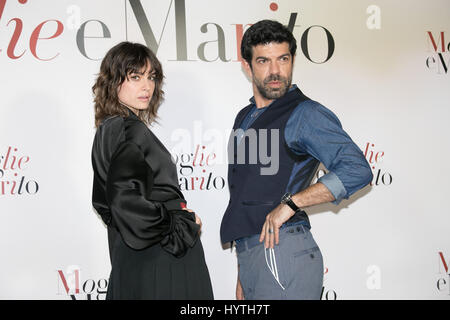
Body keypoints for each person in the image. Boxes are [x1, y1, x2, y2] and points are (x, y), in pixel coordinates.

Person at [220, 20, 373, 300]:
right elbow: (245, 194)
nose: (275, 71)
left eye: (283, 59)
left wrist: (292, 204)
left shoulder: (305, 114)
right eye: (264, 61)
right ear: (247, 66)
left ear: (292, 61)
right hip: (252, 255)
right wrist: (245, 272)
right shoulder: (244, 117)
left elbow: (357, 169)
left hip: (284, 249)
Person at [91, 41, 213, 300]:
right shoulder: (128, 129)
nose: (146, 86)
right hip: (160, 259)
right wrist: (179, 224)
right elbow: (125, 202)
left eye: (151, 77)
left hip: (136, 257)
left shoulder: (110, 128)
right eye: (135, 77)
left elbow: (109, 205)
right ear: (114, 81)